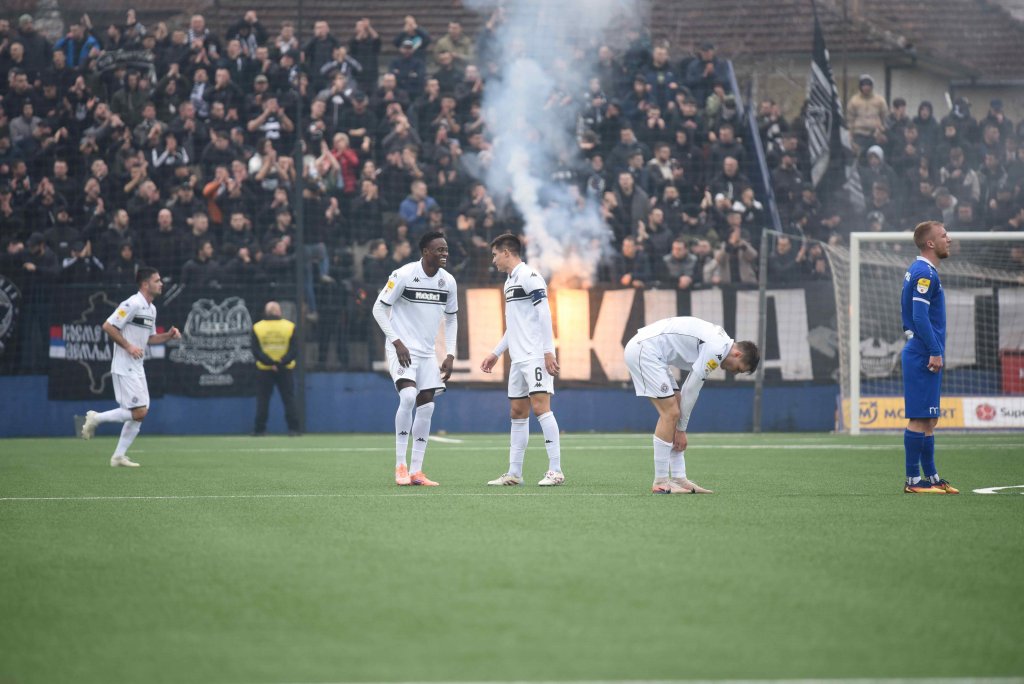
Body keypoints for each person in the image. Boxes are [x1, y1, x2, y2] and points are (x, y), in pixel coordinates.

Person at [624, 317, 759, 494]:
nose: (734, 372)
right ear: (737, 354)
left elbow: (687, 391)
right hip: (644, 351)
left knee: (676, 407)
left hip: (652, 353)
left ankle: (679, 478)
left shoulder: (720, 342)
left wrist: (681, 427)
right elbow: (691, 389)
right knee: (671, 413)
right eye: (739, 368)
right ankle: (661, 482)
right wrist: (681, 430)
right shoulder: (717, 349)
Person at [372, 231, 458, 486]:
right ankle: (400, 465)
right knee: (409, 396)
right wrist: (396, 341)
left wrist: (450, 353)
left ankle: (417, 471)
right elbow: (378, 308)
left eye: (446, 249)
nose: (444, 253)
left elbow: (452, 318)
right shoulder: (404, 274)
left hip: (427, 352)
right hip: (402, 349)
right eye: (439, 250)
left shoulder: (448, 281)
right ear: (425, 252)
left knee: (427, 406)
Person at [479, 234, 564, 487]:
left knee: (541, 408)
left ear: (506, 252)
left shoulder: (530, 276)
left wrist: (548, 351)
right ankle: (514, 473)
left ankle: (556, 470)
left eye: (495, 255)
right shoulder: (509, 282)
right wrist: (496, 353)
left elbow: (544, 313)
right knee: (517, 412)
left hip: (535, 354)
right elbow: (514, 326)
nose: (493, 260)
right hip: (517, 358)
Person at [79, 267, 181, 466]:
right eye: (157, 280)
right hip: (124, 366)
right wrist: (128, 346)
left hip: (137, 366)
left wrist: (168, 336)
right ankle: (96, 418)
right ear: (145, 284)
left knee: (140, 413)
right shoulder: (132, 303)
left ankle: (118, 456)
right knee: (140, 411)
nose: (161, 284)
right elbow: (108, 326)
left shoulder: (151, 309)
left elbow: (150, 338)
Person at [900, 221, 959, 494]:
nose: (949, 239)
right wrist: (935, 350)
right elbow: (920, 316)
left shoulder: (921, 270)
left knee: (929, 419)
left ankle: (932, 477)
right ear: (931, 243)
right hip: (922, 351)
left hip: (923, 349)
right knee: (918, 419)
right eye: (944, 235)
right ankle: (913, 480)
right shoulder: (924, 272)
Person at [252, 301, 300, 436]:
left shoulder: (257, 327)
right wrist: (281, 362)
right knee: (289, 399)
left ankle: (259, 429)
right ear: (279, 311)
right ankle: (294, 429)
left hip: (264, 369)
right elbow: (294, 349)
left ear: (266, 312)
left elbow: (256, 350)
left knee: (263, 400)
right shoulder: (289, 326)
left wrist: (269, 362)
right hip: (285, 368)